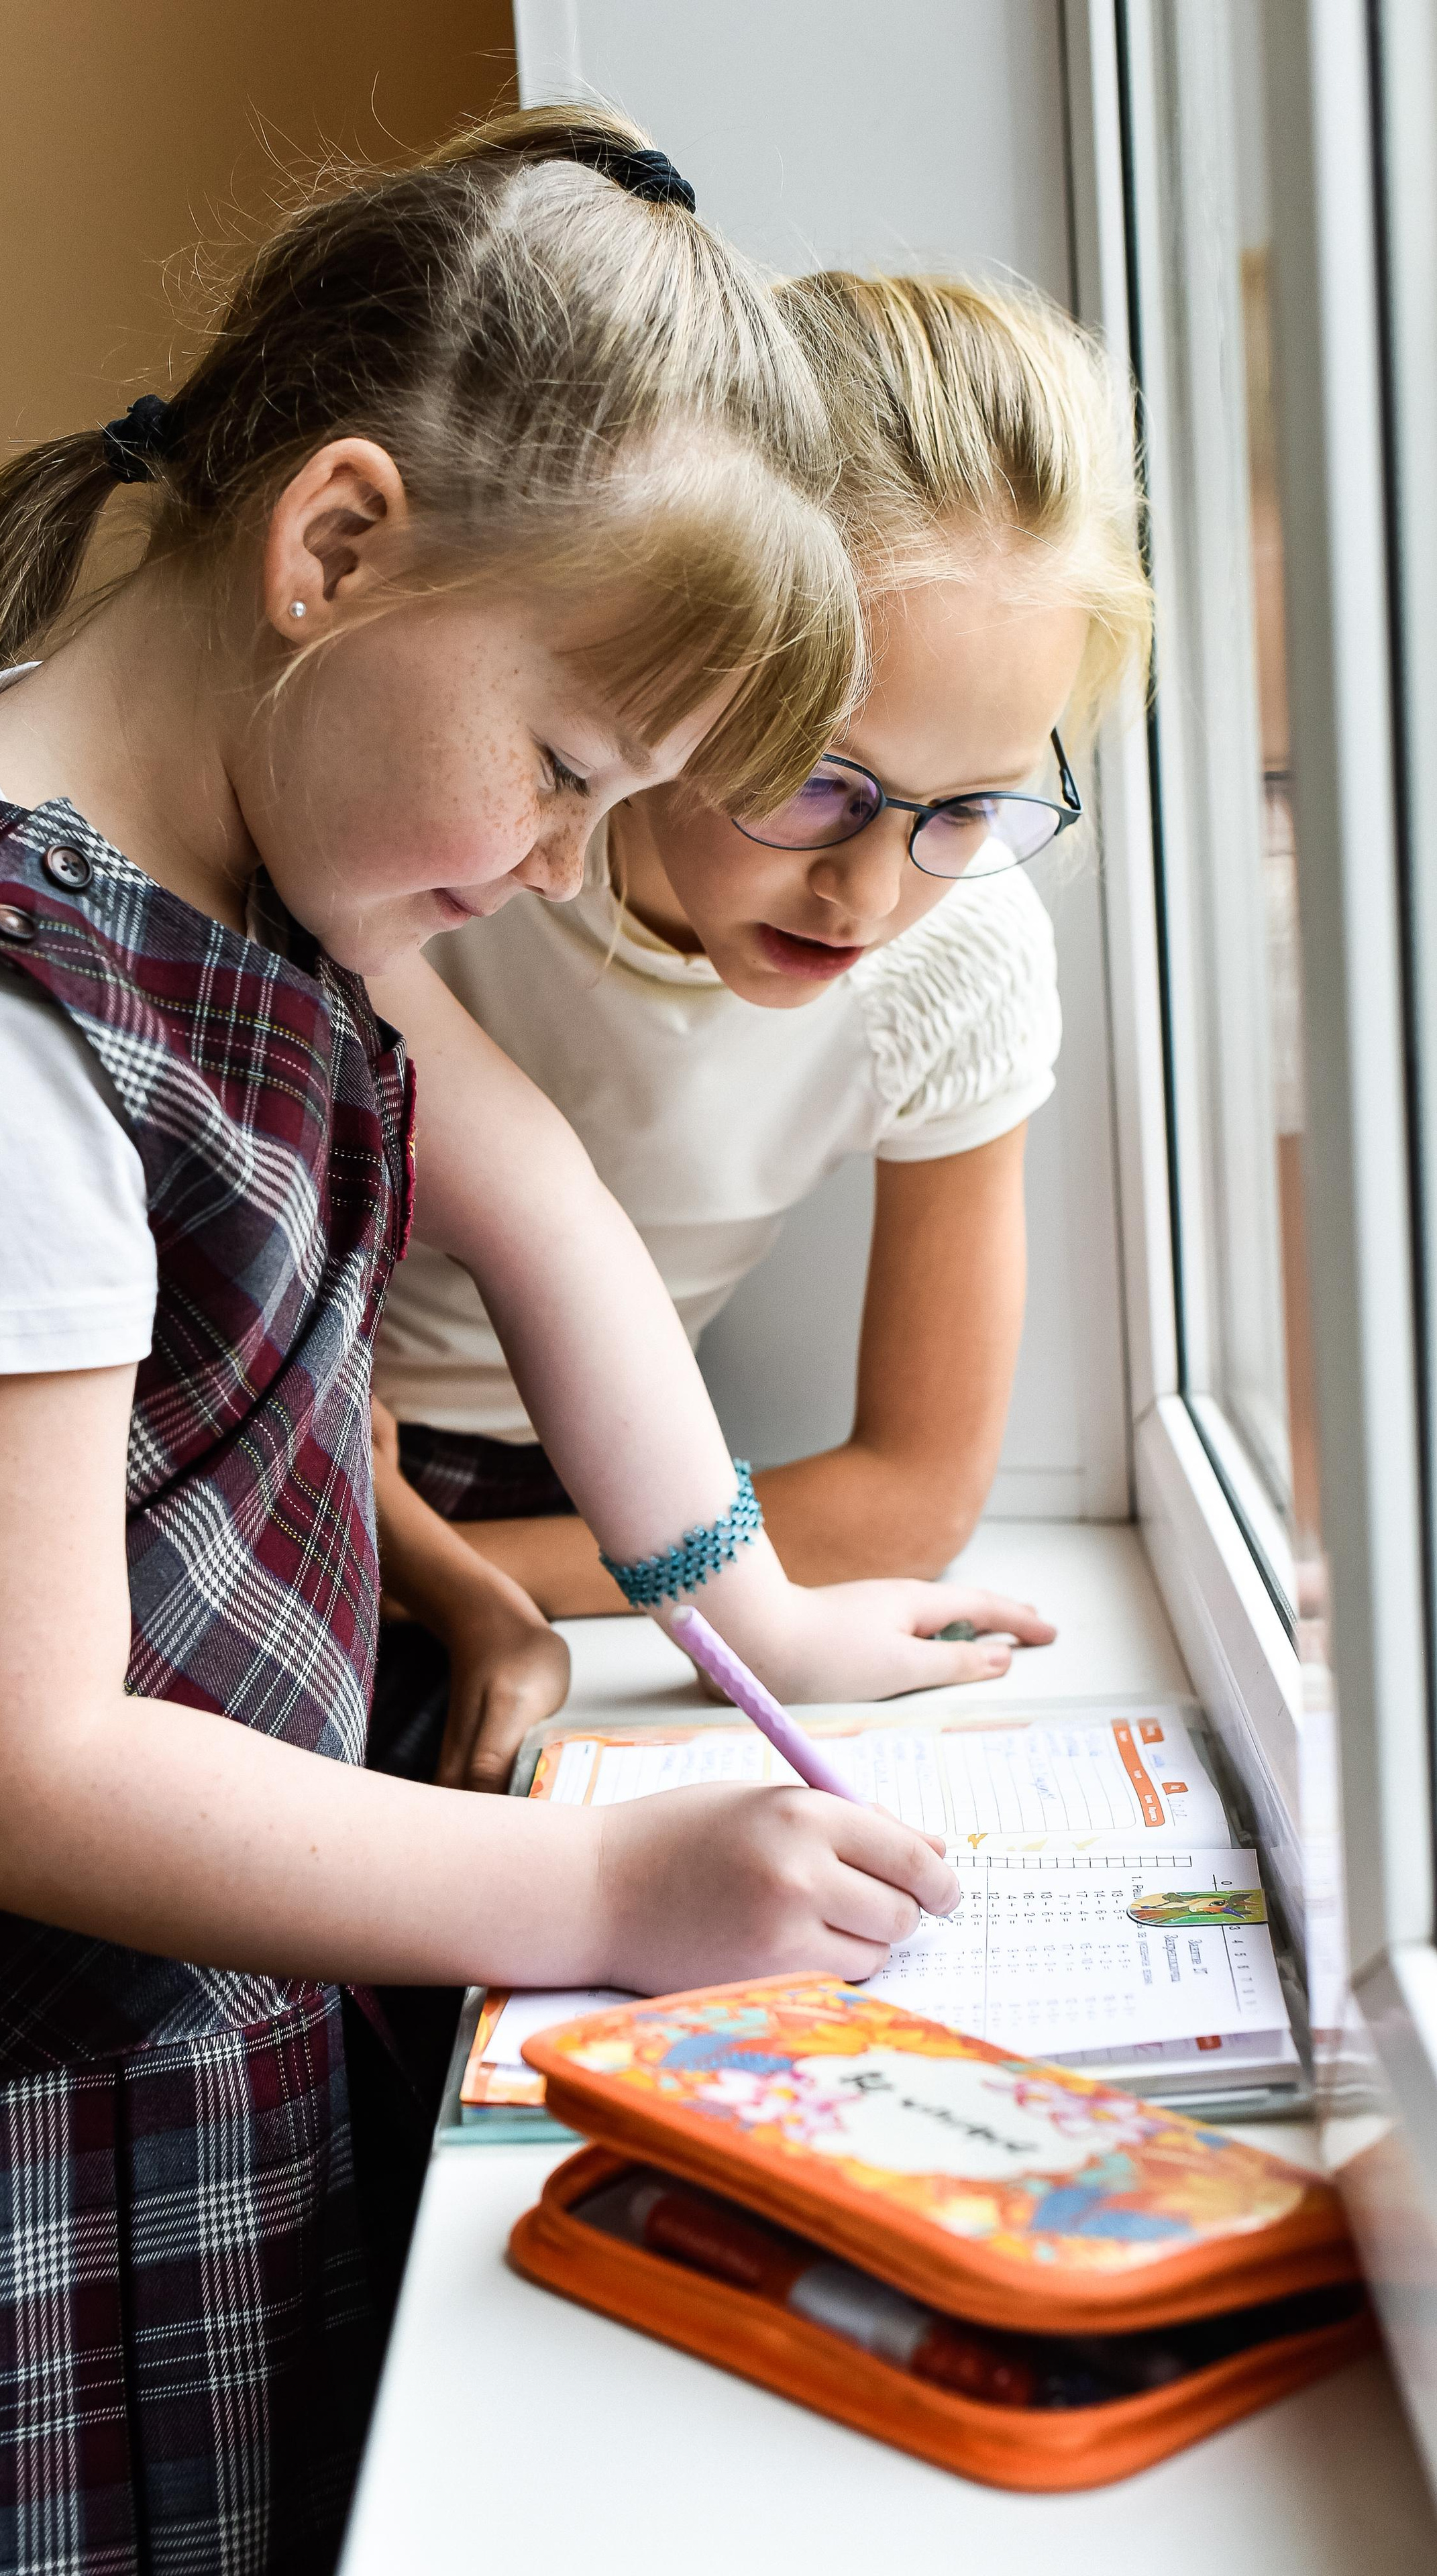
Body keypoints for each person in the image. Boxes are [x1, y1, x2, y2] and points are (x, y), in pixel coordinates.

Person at [0, 115, 1050, 2571]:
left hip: (176, 2057)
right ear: (335, 548)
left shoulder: (258, 873)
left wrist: (746, 1624)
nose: (557, 867)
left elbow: (537, 1208)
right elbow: (7, 1772)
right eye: (562, 769)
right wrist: (610, 1900)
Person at [370, 268, 1153, 1796]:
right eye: (817, 779)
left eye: (972, 809)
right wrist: (416, 1562)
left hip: (593, 1498)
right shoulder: (458, 855)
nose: (868, 891)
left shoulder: (964, 952)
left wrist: (467, 1568)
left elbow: (901, 1499)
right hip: (280, 1448)